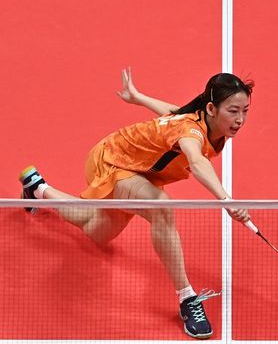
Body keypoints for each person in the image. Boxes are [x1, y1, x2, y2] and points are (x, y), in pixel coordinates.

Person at [19, 69, 252, 339]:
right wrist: (226, 200)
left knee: (97, 231)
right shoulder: (192, 131)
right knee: (162, 208)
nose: (240, 120)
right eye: (233, 111)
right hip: (112, 160)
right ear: (211, 108)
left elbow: (172, 112)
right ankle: (188, 299)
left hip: (140, 172)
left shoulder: (204, 121)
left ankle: (37, 188)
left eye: (245, 111)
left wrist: (139, 97)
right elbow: (197, 162)